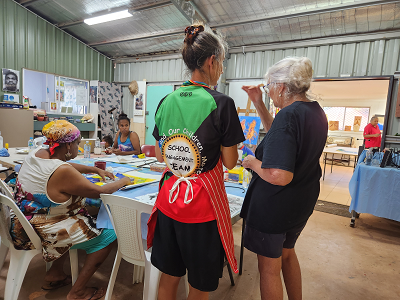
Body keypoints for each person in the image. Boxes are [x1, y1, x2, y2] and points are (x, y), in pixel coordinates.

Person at [147, 24, 245, 300]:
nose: (222, 69)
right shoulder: (222, 103)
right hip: (202, 208)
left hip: (168, 202)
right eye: (222, 62)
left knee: (169, 276)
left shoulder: (166, 101)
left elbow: (159, 155)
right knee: (199, 287)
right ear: (211, 61)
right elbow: (229, 162)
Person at [10, 120, 131, 300]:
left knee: (74, 213)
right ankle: (78, 291)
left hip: (22, 219)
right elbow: (100, 192)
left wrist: (93, 169)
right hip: (41, 228)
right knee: (110, 235)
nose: (79, 147)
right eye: (77, 143)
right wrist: (124, 181)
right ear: (68, 145)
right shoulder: (61, 171)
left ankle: (55, 275)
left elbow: (62, 165)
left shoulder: (37, 153)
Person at [240, 57, 328, 300]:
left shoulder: (289, 116)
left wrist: (252, 163)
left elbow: (279, 175)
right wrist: (258, 104)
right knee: (288, 253)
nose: (268, 93)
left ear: (281, 87)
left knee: (269, 269)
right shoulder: (315, 111)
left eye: (268, 87)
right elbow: (279, 135)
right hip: (300, 203)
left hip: (275, 207)